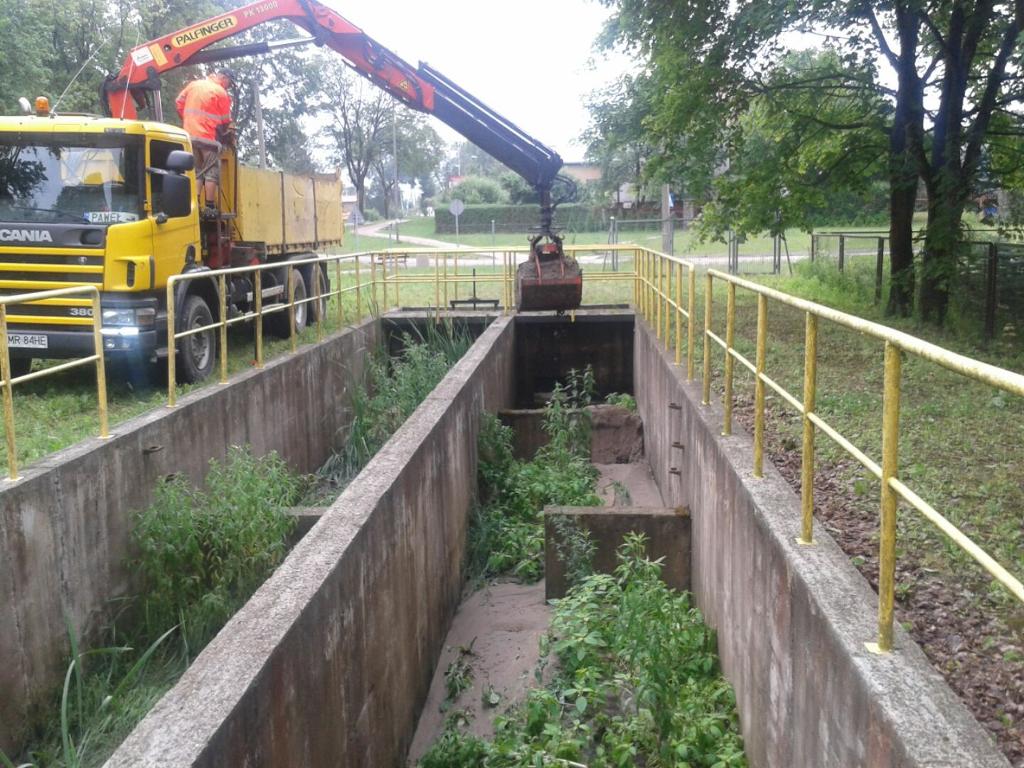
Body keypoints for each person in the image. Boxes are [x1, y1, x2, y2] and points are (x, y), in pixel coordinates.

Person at [175, 69, 235, 211]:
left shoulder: (194, 85)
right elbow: (226, 120)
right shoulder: (220, 92)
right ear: (224, 78)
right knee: (211, 171)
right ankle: (209, 206)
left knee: (197, 170)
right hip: (208, 137)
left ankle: (195, 204)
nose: (229, 87)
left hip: (189, 136)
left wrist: (187, 119)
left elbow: (178, 102)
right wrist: (229, 136)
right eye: (229, 84)